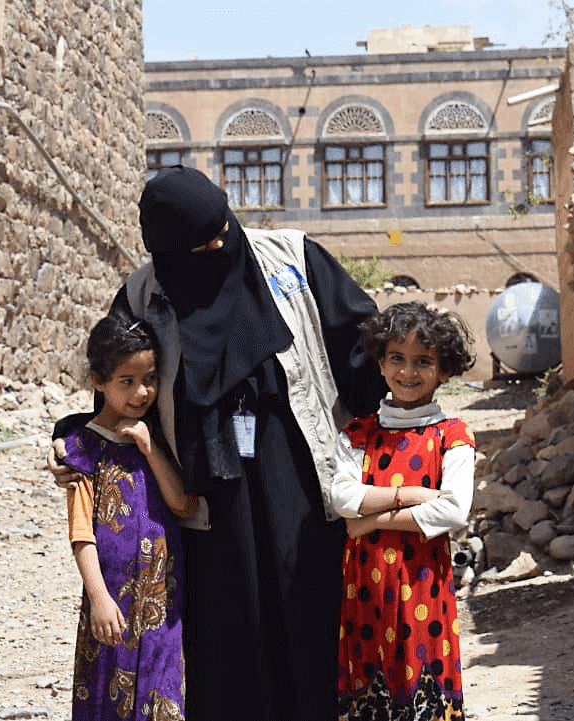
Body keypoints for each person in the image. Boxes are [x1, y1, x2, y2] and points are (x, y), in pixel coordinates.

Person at [51, 165, 387, 721]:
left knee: (312, 626)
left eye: (222, 233)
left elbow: (366, 353)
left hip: (298, 488)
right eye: (200, 246)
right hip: (205, 504)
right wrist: (75, 440)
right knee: (227, 645)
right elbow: (117, 390)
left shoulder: (293, 261)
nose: (219, 246)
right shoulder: (143, 295)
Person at [330, 301, 476, 721]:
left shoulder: (452, 436)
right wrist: (412, 494)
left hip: (423, 587)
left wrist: (370, 519)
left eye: (423, 362)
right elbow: (341, 498)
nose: (408, 372)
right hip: (366, 591)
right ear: (380, 363)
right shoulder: (359, 434)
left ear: (443, 371)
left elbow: (453, 510)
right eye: (397, 358)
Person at [62, 312, 197, 720]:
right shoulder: (83, 449)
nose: (142, 392)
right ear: (98, 381)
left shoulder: (156, 437)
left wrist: (149, 449)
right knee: (106, 694)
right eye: (127, 381)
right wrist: (99, 598)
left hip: (162, 600)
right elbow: (81, 531)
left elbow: (183, 505)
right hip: (112, 603)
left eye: (150, 379)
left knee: (161, 692)